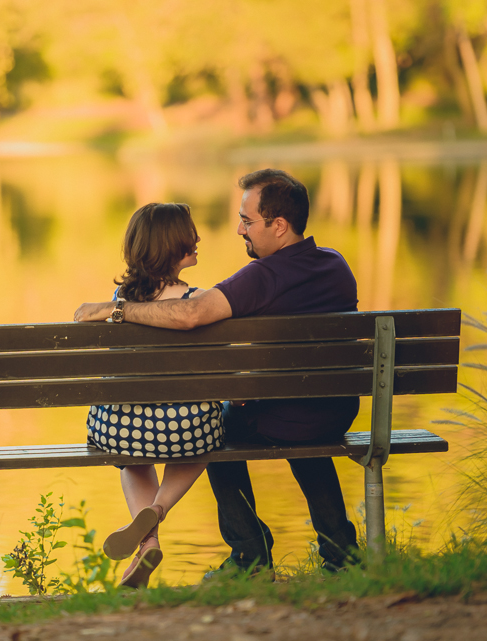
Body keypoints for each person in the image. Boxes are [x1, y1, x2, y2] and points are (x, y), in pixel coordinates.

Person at [74, 169, 360, 576]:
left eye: (247, 221)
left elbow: (192, 313)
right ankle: (341, 553)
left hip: (285, 416)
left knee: (220, 427)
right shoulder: (335, 264)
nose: (239, 229)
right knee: (301, 422)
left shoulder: (265, 276)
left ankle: (250, 555)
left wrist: (114, 308)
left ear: (279, 226)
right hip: (336, 411)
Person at [86, 202, 226, 589]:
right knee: (208, 434)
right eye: (189, 233)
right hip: (185, 430)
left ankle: (148, 540)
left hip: (121, 431)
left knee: (133, 451)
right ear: (171, 244)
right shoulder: (200, 302)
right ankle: (157, 510)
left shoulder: (116, 303)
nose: (197, 238)